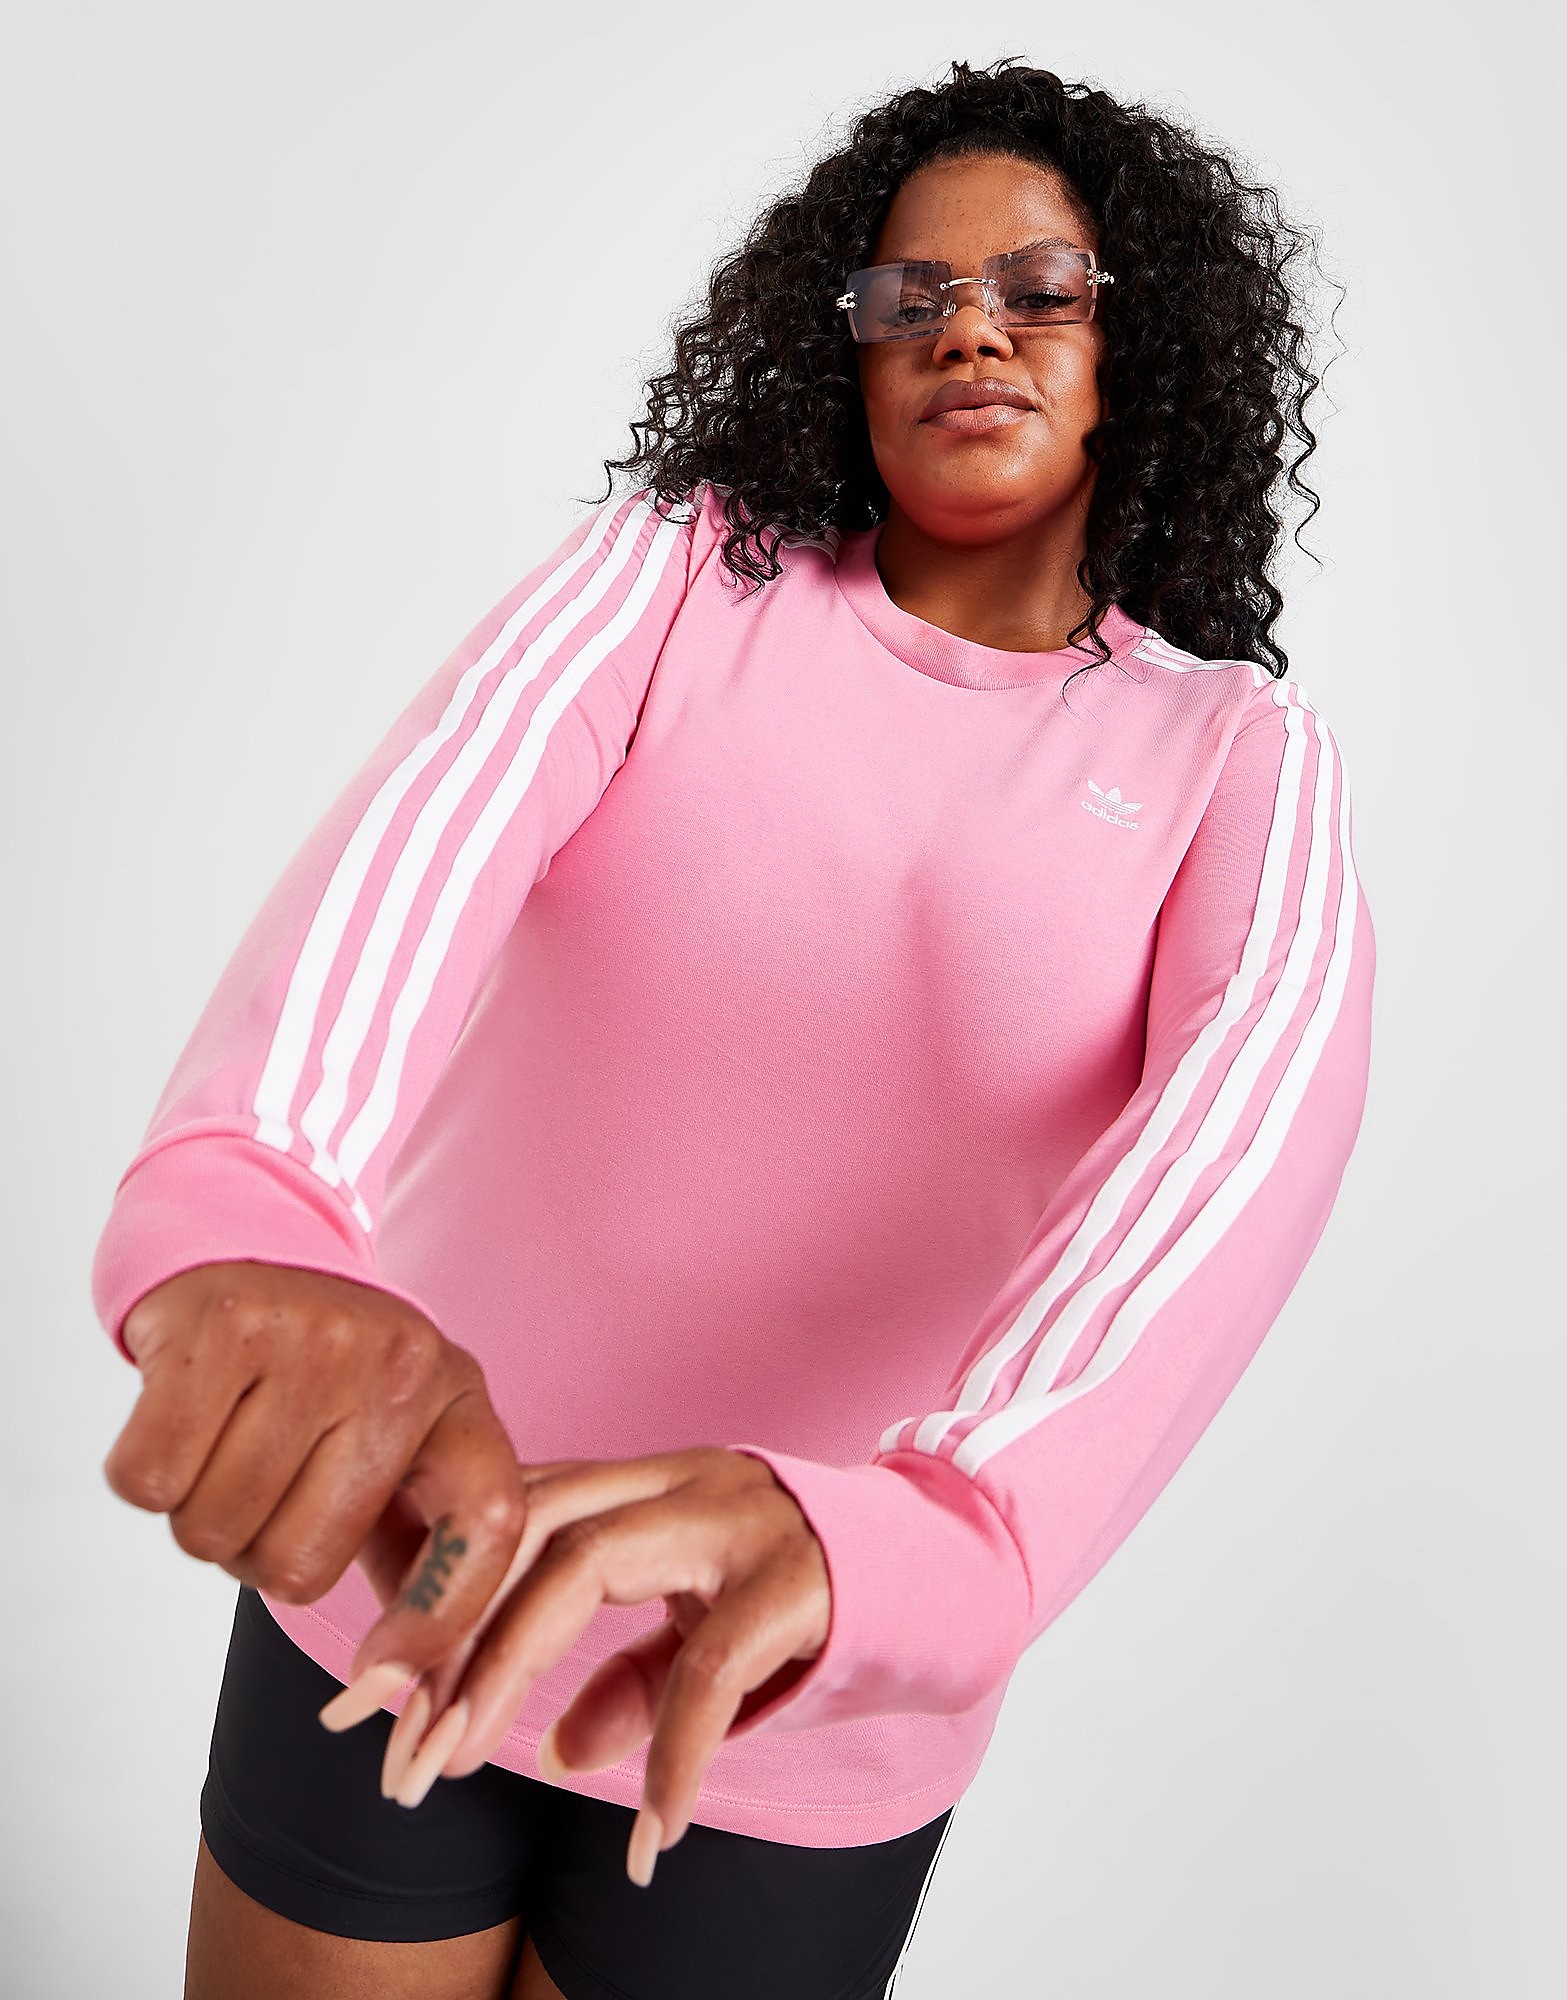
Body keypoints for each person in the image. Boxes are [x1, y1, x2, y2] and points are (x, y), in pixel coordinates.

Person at [91, 54, 1376, 2000]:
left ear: (1144, 349)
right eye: (907, 295)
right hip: (411, 1549)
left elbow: (1228, 1173)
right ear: (841, 348)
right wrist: (254, 1209)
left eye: (1038, 291)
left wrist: (939, 1537)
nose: (967, 331)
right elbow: (407, 864)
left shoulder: (1233, 759)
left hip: (801, 1685)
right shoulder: (683, 575)